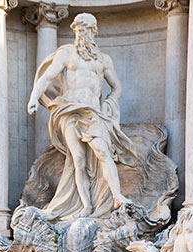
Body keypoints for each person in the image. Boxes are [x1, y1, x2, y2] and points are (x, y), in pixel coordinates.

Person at [27, 13, 143, 221]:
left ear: (94, 31)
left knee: (102, 150)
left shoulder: (103, 59)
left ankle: (117, 197)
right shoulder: (66, 54)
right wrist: (34, 97)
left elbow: (117, 86)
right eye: (78, 29)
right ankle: (86, 205)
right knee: (78, 160)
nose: (81, 33)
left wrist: (111, 102)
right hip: (69, 110)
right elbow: (47, 77)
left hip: (93, 112)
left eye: (86, 29)